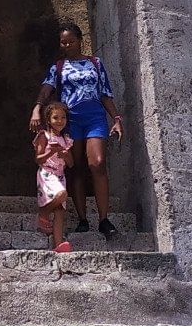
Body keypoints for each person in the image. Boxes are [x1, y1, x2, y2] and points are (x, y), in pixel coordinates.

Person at [29, 22, 124, 236]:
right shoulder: (58, 67)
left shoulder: (95, 63)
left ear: (80, 40)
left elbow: (105, 93)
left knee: (97, 163)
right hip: (71, 120)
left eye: (71, 41)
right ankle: (82, 219)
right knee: (76, 167)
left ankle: (104, 219)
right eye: (63, 42)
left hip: (94, 118)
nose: (67, 45)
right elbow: (46, 90)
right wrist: (37, 109)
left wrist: (116, 118)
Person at [33, 100, 75, 253]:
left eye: (63, 118)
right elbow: (38, 159)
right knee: (62, 194)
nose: (60, 121)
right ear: (48, 120)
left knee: (59, 211)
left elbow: (71, 163)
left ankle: (58, 244)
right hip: (47, 174)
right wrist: (51, 152)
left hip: (60, 175)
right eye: (56, 118)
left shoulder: (66, 139)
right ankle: (43, 214)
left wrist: (64, 154)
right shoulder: (44, 136)